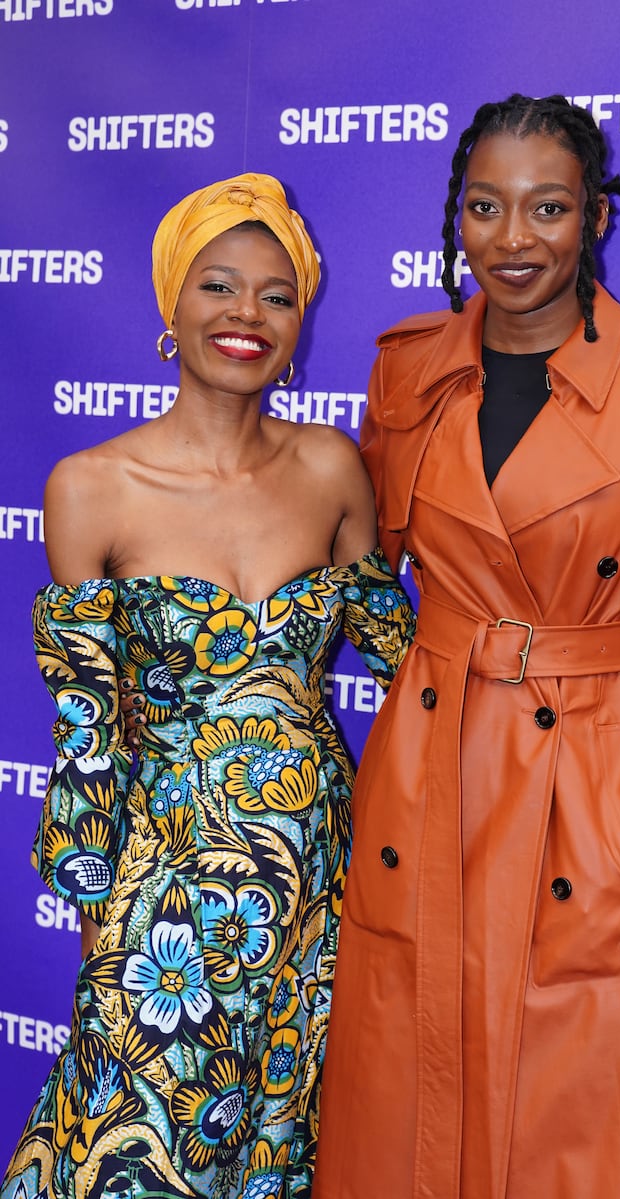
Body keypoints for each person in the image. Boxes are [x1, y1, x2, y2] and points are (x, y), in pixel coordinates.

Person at [312, 94, 620, 1199]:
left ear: (591, 218)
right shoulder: (408, 370)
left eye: (546, 207)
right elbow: (348, 561)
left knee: (607, 1122)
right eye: (484, 207)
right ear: (456, 216)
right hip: (428, 779)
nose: (512, 238)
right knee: (414, 1099)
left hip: (597, 785)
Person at [1, 174, 415, 1199]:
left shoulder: (333, 468)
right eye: (216, 286)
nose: (244, 314)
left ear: (300, 317)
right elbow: (88, 730)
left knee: (281, 1159)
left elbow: (407, 653)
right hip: (168, 913)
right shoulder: (90, 485)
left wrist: (592, 646)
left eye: (275, 295)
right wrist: (100, 924)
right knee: (135, 1158)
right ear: (169, 305)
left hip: (318, 891)